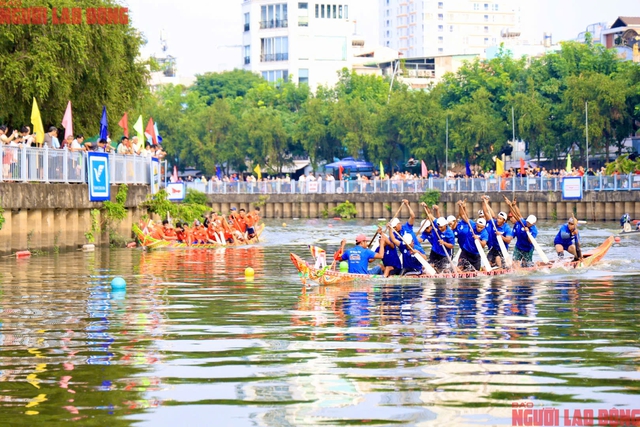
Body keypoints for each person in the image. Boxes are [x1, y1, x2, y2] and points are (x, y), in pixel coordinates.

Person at [481, 197, 514, 268]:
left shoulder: (506, 228)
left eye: (500, 219)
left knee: (498, 260)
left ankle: (501, 269)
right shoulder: (493, 222)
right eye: (497, 218)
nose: (497, 220)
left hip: (502, 249)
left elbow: (508, 241)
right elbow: (486, 212)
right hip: (493, 249)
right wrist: (484, 202)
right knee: (487, 264)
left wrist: (501, 236)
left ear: (504, 221)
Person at [456, 201, 489, 271]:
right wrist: (462, 206)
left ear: (484, 227)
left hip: (475, 254)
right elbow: (463, 215)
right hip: (465, 251)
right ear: (476, 224)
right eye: (478, 226)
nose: (479, 228)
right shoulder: (472, 224)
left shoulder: (485, 233)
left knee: (475, 271)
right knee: (459, 268)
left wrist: (478, 239)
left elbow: (483, 244)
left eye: (481, 227)